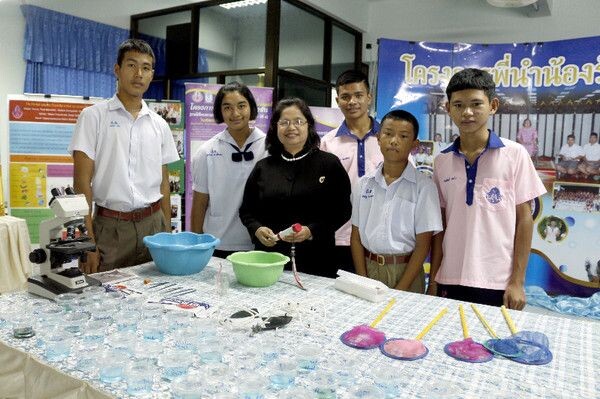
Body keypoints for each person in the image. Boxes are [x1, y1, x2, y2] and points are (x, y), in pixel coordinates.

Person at [430, 68, 546, 310]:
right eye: (458, 105)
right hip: (450, 276)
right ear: (448, 108)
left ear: (492, 106)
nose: (467, 112)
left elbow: (524, 220)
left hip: (498, 282)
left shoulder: (515, 155)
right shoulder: (441, 162)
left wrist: (517, 281)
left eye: (476, 104)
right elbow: (440, 226)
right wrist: (434, 278)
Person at [70, 39, 179, 273]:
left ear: (152, 75)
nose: (139, 73)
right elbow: (81, 184)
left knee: (156, 298)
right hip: (111, 228)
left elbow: (164, 184)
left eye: (146, 67)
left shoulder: (160, 125)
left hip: (154, 226)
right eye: (131, 65)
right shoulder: (93, 117)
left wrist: (167, 235)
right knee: (104, 300)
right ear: (117, 69)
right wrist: (87, 241)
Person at [240, 98, 351, 278]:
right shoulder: (263, 167)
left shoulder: (329, 164)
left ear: (309, 126)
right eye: (284, 122)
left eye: (299, 121)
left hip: (318, 259)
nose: (291, 127)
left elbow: (343, 210)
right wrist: (257, 229)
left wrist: (312, 231)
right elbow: (247, 211)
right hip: (269, 260)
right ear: (275, 127)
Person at [351, 110, 442, 292]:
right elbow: (356, 235)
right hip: (369, 269)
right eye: (388, 133)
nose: (394, 141)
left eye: (403, 136)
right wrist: (363, 279)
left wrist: (401, 288)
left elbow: (423, 244)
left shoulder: (424, 187)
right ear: (378, 138)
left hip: (407, 271)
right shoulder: (363, 183)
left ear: (414, 144)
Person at [191, 82, 267, 259]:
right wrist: (197, 245)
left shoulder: (269, 146)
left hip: (259, 242)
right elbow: (199, 204)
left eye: (241, 106)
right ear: (220, 111)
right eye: (227, 108)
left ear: (251, 107)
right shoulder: (207, 151)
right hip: (218, 243)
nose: (235, 114)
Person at [320, 70, 382, 272]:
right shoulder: (328, 142)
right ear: (338, 100)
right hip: (340, 237)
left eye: (358, 95)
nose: (352, 101)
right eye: (345, 97)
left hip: (381, 238)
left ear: (369, 97)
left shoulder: (389, 138)